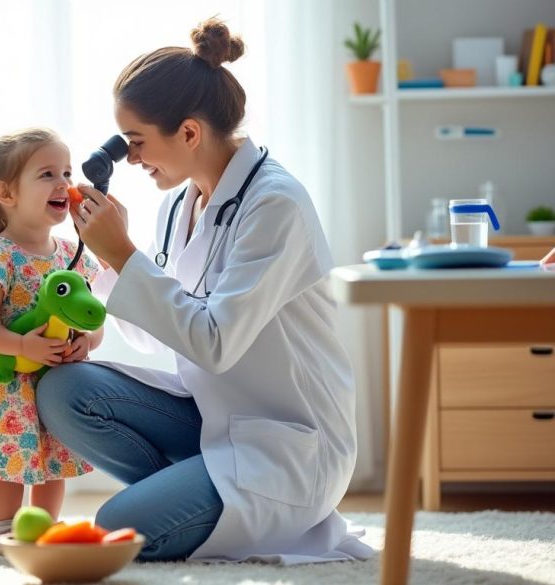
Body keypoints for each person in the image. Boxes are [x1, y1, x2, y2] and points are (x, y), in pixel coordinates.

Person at [36, 17, 373, 564]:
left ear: (189, 133)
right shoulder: (179, 204)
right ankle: (195, 492)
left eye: (138, 143)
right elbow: (155, 338)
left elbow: (215, 343)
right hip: (212, 415)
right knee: (64, 390)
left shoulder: (274, 204)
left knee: (118, 525)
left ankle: (200, 500)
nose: (133, 158)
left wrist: (123, 254)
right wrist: (107, 257)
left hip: (287, 444)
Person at [0, 127, 104, 555]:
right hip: (7, 382)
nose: (64, 183)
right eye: (47, 174)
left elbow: (92, 315)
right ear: (6, 193)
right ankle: (3, 528)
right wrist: (23, 346)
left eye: (66, 172)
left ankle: (44, 528)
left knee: (53, 461)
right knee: (10, 462)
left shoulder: (73, 253)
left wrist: (88, 341)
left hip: (57, 381)